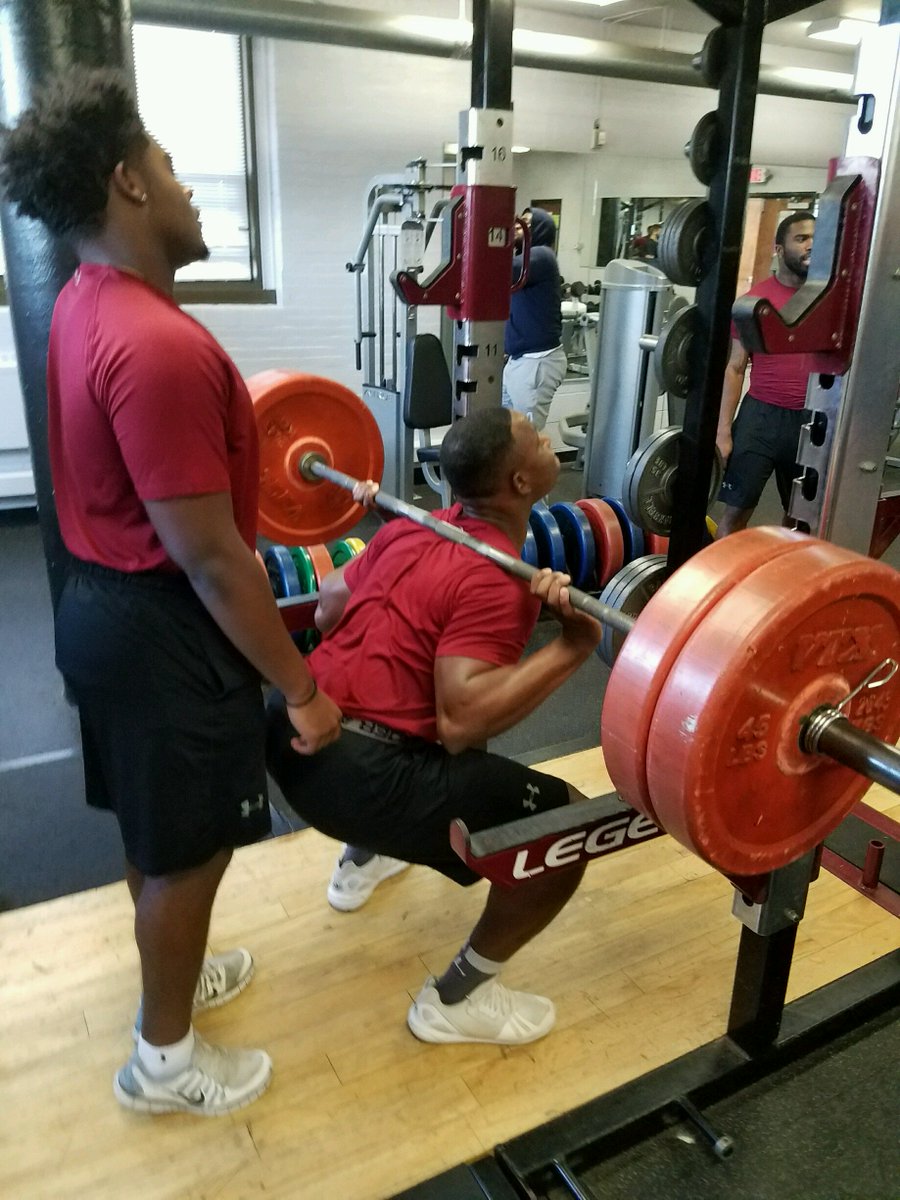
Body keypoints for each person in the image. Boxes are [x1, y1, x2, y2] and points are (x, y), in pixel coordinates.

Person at [0, 67, 342, 1116]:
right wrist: (300, 689)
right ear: (128, 182)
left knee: (154, 835)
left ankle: (174, 982)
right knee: (190, 855)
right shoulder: (157, 345)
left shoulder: (84, 302)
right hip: (162, 631)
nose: (187, 187)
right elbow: (213, 560)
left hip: (103, 612)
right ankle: (164, 1061)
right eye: (169, 164)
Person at [266, 407, 603, 1046]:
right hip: (357, 778)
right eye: (536, 438)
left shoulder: (410, 527)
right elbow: (461, 722)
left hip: (291, 736)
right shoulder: (497, 578)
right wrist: (572, 647)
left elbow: (331, 606)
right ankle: (455, 999)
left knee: (420, 710)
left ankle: (363, 859)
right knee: (567, 832)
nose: (547, 438)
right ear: (521, 483)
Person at [715, 211, 816, 537]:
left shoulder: (825, 302)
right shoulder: (753, 302)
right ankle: (721, 569)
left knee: (800, 519)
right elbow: (735, 367)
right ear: (779, 249)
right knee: (735, 512)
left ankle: (784, 568)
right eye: (801, 238)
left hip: (810, 420)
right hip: (760, 418)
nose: (811, 245)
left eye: (816, 238)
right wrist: (723, 431)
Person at [502, 207, 567, 432]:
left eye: (527, 223)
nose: (518, 226)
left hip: (537, 362)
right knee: (507, 432)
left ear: (540, 230)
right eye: (519, 221)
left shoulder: (542, 255)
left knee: (526, 435)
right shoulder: (527, 260)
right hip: (520, 361)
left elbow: (502, 271)